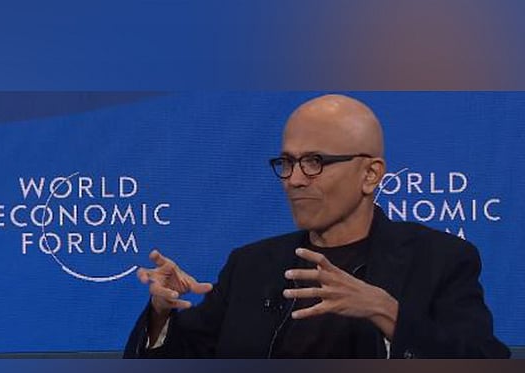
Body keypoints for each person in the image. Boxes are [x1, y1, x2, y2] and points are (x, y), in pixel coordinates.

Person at [123, 94, 510, 358]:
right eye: (287, 163)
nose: (294, 179)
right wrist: (161, 314)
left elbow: (483, 368)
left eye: (315, 162)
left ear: (370, 174)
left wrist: (388, 312)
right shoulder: (250, 266)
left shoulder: (439, 260)